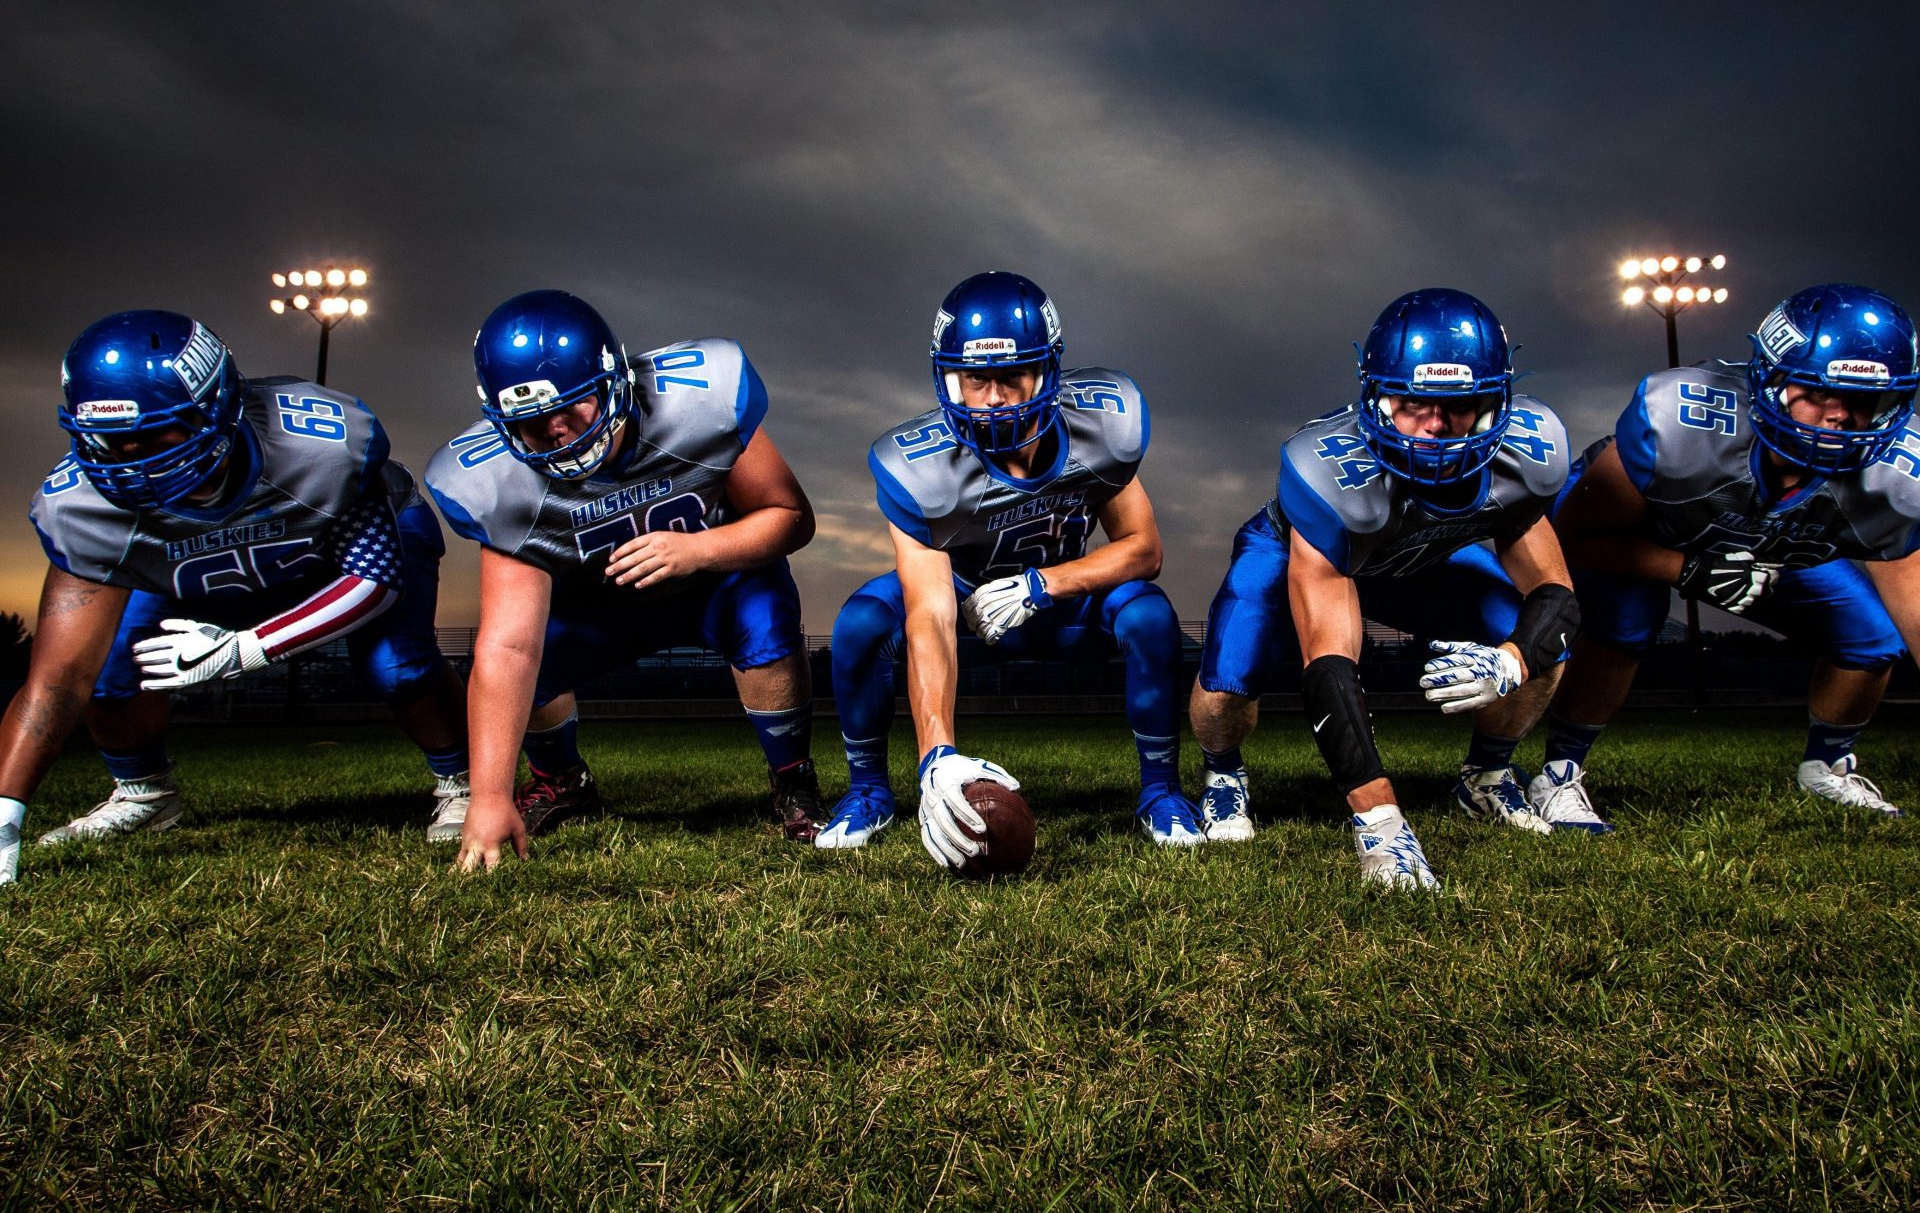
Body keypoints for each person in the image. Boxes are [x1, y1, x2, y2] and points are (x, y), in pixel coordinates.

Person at [0, 310, 469, 883]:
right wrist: (6, 814)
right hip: (191, 577)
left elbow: (372, 580)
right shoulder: (80, 509)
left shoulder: (319, 447)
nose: (130, 458)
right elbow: (57, 680)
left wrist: (249, 646)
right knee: (106, 668)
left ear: (217, 405)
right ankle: (144, 794)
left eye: (154, 433)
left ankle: (460, 779)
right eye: (109, 440)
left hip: (330, 559)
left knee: (398, 665)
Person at [1188, 288, 1581, 888]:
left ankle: (1486, 776)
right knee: (1227, 684)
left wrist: (1513, 659)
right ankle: (1223, 772)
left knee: (1542, 646)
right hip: (1305, 550)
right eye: (1411, 402)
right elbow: (1329, 667)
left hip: (1419, 562)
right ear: (1375, 398)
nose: (1435, 427)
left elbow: (1556, 596)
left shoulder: (1528, 456)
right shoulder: (1327, 473)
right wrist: (1381, 822)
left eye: (1460, 404)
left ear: (1497, 402)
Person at [815, 270, 1206, 868]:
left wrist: (1044, 585)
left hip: (1061, 599)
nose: (993, 398)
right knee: (861, 622)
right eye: (976, 379)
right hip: (965, 602)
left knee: (1151, 616)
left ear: (1045, 374)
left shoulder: (1097, 429)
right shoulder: (918, 467)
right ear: (950, 379)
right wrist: (937, 756)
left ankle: (1160, 791)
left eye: (1010, 377)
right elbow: (929, 610)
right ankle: (870, 790)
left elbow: (1143, 549)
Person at [425, 289, 826, 871]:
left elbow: (791, 518)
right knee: (527, 656)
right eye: (533, 423)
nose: (559, 431)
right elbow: (509, 644)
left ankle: (792, 777)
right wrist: (488, 796)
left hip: (711, 579)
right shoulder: (494, 482)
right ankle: (560, 779)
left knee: (763, 611)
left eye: (573, 407)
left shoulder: (701, 401)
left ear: (613, 381)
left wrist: (699, 549)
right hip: (597, 601)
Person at [1532, 284, 1920, 830]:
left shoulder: (1899, 475)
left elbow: (1913, 599)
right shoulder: (1679, 418)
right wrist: (1687, 569)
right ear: (1770, 378)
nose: (1838, 417)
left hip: (1770, 542)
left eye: (1864, 401)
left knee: (1872, 638)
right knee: (1626, 625)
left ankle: (1827, 767)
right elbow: (1579, 534)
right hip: (1645, 531)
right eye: (1816, 391)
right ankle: (1559, 771)